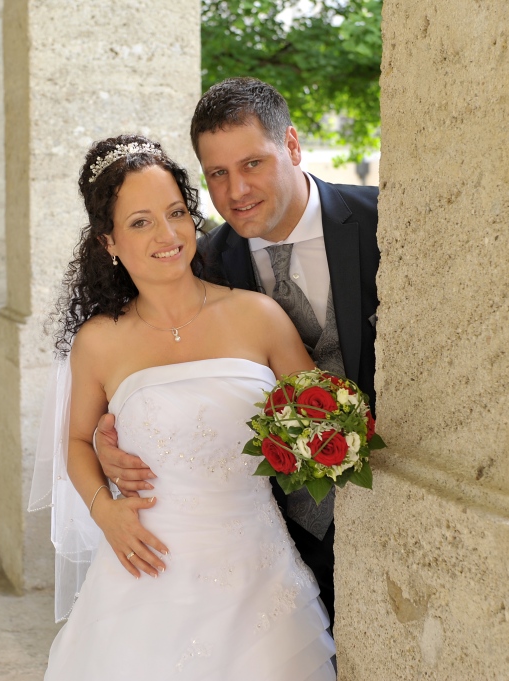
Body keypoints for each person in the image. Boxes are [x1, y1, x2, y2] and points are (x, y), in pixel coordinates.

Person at [39, 135, 336, 680]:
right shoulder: (100, 341)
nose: (168, 235)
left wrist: (326, 446)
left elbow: (324, 419)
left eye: (176, 213)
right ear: (108, 241)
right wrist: (106, 511)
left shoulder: (259, 316)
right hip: (146, 569)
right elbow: (78, 440)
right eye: (141, 222)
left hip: (260, 579)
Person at [95, 78, 380, 631]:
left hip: (391, 509)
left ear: (293, 147)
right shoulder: (200, 264)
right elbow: (152, 369)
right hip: (270, 541)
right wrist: (112, 451)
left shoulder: (384, 221)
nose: (236, 191)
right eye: (217, 174)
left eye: (252, 164)